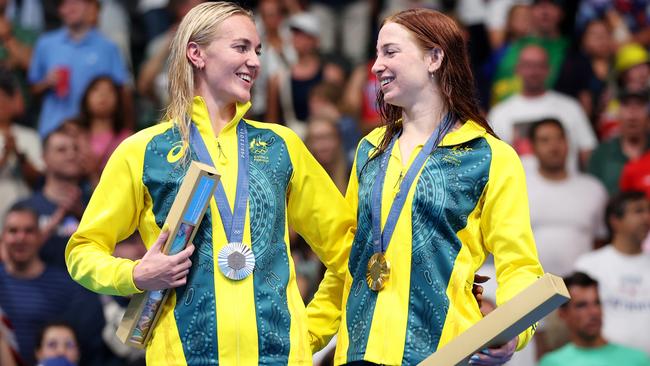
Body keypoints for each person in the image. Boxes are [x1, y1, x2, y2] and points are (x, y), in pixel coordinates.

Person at [65, 2, 355, 365]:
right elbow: (82, 252)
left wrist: (308, 330)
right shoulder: (144, 151)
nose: (255, 61)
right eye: (241, 47)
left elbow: (348, 250)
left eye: (257, 50)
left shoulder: (282, 146)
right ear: (196, 53)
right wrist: (136, 274)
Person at [306, 8, 544, 366]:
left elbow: (519, 264)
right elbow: (348, 262)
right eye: (376, 53)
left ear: (434, 58)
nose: (375, 66)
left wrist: (514, 328)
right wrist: (301, 338)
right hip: (358, 354)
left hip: (446, 354)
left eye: (390, 51)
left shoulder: (490, 156)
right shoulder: (369, 149)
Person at [0, 203, 106, 366]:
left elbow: (82, 345)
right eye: (13, 231)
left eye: (29, 231)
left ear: (41, 236)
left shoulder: (66, 287)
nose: (20, 238)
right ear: (3, 237)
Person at [28, 0, 130, 138]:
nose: (69, 8)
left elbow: (122, 93)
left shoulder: (108, 47)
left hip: (93, 135)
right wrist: (47, 82)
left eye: (75, 3)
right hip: (53, 130)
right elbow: (32, 89)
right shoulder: (45, 43)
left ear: (90, 7)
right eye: (64, 4)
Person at [574, 191, 650, 354]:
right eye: (638, 211)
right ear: (615, 221)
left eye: (648, 211)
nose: (647, 218)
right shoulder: (589, 265)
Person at [539, 272, 650, 366]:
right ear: (563, 313)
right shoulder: (552, 363)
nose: (594, 312)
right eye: (581, 305)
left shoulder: (637, 360)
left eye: (597, 303)